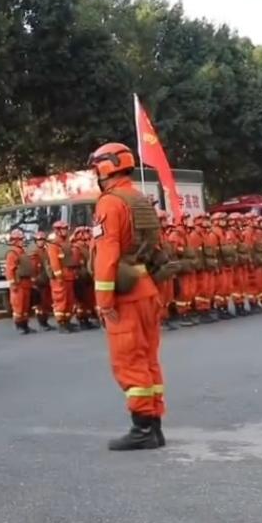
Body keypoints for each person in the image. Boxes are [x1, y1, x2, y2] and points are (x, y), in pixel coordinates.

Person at [88, 142, 167, 451]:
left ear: (106, 167)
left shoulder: (110, 203)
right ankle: (154, 426)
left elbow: (107, 257)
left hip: (127, 295)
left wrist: (103, 303)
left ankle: (143, 429)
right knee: (148, 359)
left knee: (129, 360)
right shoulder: (139, 199)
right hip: (147, 287)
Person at [46, 221, 78, 333]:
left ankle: (67, 321)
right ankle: (61, 323)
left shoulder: (67, 243)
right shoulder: (54, 245)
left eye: (66, 228)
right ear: (57, 231)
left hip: (69, 276)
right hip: (60, 278)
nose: (65, 231)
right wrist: (59, 276)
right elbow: (55, 263)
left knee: (70, 300)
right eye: (63, 229)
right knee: (60, 300)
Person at [5, 229, 35, 334]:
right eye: (20, 239)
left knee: (26, 305)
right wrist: (12, 283)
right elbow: (10, 269)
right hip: (18, 283)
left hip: (26, 282)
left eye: (22, 239)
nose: (22, 241)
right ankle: (19, 325)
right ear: (15, 241)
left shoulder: (22, 252)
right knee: (19, 306)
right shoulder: (12, 253)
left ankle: (25, 325)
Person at [156, 211, 179, 331]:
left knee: (167, 296)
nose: (166, 222)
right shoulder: (156, 235)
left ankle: (165, 317)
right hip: (161, 269)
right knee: (160, 296)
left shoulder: (164, 235)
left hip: (167, 268)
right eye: (164, 220)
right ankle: (160, 320)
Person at [193, 214, 217, 324]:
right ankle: (201, 311)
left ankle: (206, 309)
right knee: (201, 289)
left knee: (208, 289)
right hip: (201, 268)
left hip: (207, 266)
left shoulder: (206, 234)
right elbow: (195, 253)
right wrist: (199, 266)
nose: (207, 222)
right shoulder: (195, 235)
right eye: (205, 220)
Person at [29, 231, 54, 331]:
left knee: (47, 302)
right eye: (39, 240)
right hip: (39, 282)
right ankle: (42, 322)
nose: (41, 242)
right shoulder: (34, 254)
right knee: (40, 304)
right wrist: (35, 281)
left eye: (42, 240)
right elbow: (33, 268)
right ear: (36, 241)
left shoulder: (47, 251)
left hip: (46, 280)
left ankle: (45, 321)